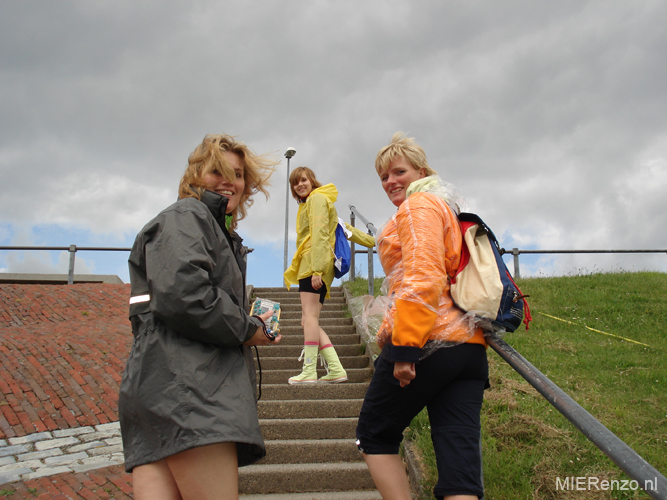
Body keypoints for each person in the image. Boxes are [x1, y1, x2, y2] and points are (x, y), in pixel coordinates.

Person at [119, 134, 282, 500]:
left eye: (238, 174)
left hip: (160, 389)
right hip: (192, 392)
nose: (229, 181)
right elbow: (185, 295)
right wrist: (248, 329)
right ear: (194, 176)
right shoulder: (188, 215)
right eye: (217, 171)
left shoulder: (206, 227)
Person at [355, 132, 489, 500]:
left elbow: (423, 278)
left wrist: (405, 347)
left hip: (431, 342)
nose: (390, 182)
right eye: (383, 176)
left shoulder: (418, 207)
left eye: (399, 171)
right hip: (468, 349)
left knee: (374, 435)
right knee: (458, 465)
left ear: (422, 171)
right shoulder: (446, 207)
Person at [283, 166, 375, 384]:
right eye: (295, 183)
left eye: (303, 180)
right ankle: (335, 369)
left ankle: (309, 371)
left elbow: (320, 235)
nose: (300, 185)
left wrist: (316, 270)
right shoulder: (320, 201)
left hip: (313, 266)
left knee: (310, 318)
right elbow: (345, 229)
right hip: (317, 266)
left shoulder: (316, 200)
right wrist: (375, 241)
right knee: (308, 320)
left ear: (312, 180)